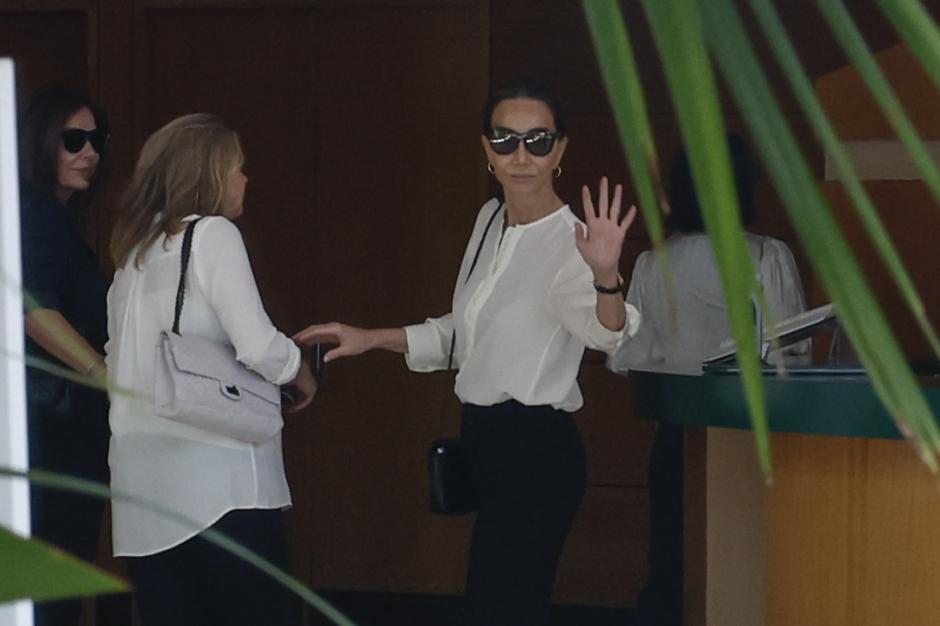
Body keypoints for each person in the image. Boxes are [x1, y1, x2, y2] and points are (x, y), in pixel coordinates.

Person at [293, 78, 641, 626]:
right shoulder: (489, 222)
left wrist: (604, 276)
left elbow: (611, 334)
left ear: (561, 151)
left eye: (538, 140)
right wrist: (371, 337)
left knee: (504, 608)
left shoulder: (572, 239)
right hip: (485, 439)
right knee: (490, 602)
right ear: (486, 151)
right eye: (505, 141)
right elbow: (465, 333)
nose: (521, 156)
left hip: (534, 447)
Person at [105, 113, 316, 626]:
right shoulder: (213, 235)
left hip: (143, 493)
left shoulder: (131, 256)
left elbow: (114, 361)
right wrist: (300, 370)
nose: (246, 179)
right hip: (221, 486)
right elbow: (259, 346)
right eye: (238, 168)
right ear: (210, 174)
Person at [607, 134, 807, 626]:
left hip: (675, 438)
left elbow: (625, 355)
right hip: (746, 436)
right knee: (746, 569)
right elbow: (794, 355)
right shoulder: (766, 256)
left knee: (673, 566)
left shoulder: (652, 264)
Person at [19, 84, 113, 626]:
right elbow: (33, 309)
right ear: (41, 142)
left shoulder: (52, 219)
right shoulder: (37, 214)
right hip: (50, 432)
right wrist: (103, 374)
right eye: (73, 139)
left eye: (96, 138)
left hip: (56, 430)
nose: (90, 152)